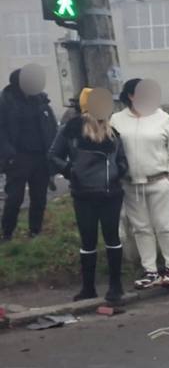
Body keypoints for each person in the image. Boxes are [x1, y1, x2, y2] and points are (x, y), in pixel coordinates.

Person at [47, 88, 128, 305]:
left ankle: (115, 286)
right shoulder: (71, 130)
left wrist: (119, 171)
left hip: (110, 193)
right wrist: (71, 171)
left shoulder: (113, 131)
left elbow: (122, 159)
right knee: (88, 240)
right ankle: (88, 288)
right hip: (84, 194)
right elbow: (53, 155)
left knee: (112, 239)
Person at [111, 78, 169, 289]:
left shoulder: (163, 118)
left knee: (164, 225)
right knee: (141, 228)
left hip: (159, 181)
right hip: (130, 184)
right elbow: (112, 149)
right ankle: (150, 271)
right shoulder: (117, 119)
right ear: (131, 96)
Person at [0, 64, 59, 241]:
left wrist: (54, 153)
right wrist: (9, 154)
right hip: (18, 158)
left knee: (39, 198)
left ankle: (35, 231)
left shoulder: (41, 102)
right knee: (14, 198)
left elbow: (52, 128)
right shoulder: (6, 103)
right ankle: (7, 233)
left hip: (41, 158)